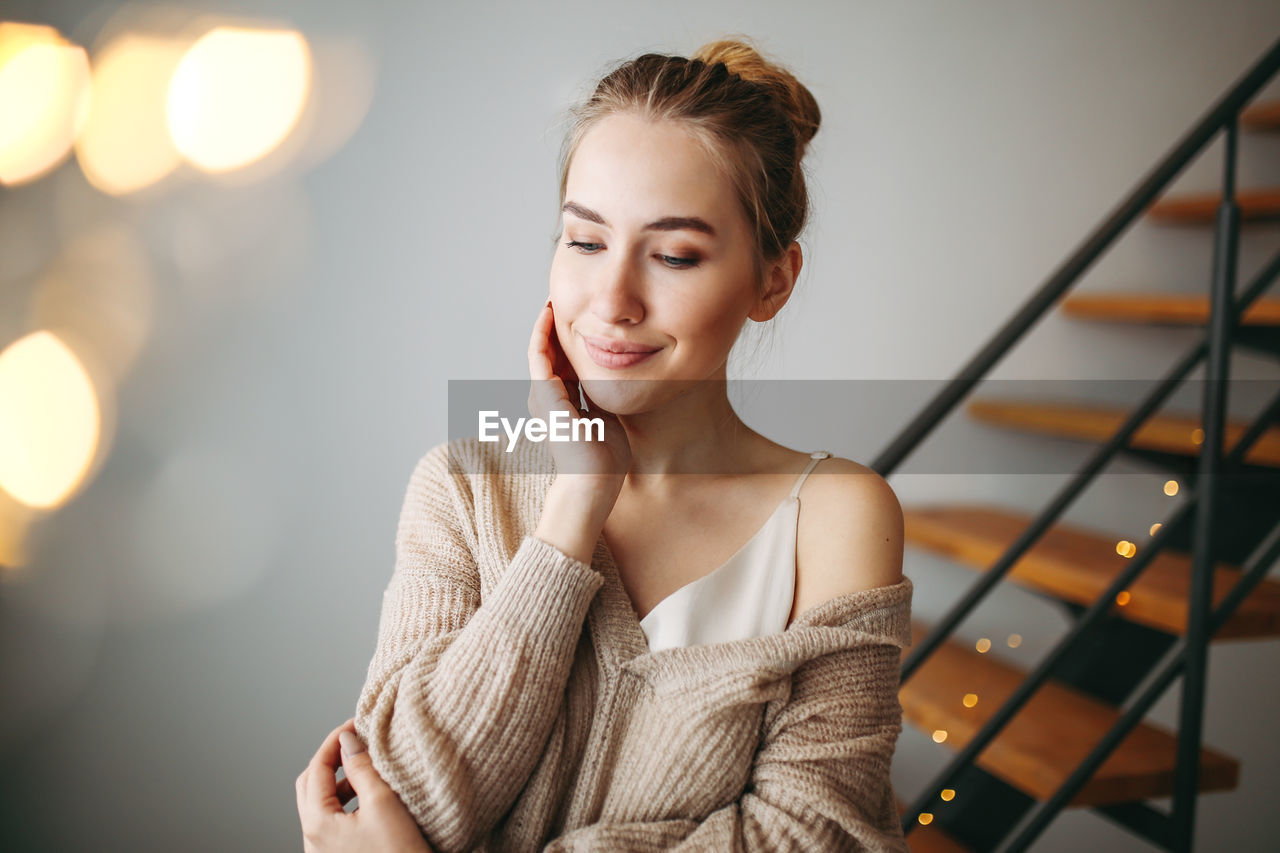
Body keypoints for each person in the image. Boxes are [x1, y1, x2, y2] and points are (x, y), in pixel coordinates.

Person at [297, 35, 912, 852]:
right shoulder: (460, 487)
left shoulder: (835, 515)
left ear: (774, 279)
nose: (613, 300)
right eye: (585, 241)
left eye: (675, 255)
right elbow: (398, 799)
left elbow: (813, 837)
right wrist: (572, 512)